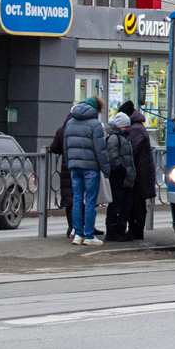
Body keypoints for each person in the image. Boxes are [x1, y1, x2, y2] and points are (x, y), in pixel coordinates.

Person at [64, 96, 110, 245]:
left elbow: (66, 147)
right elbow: (100, 150)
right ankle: (89, 236)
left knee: (77, 200)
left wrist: (70, 163)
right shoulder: (95, 125)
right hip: (91, 169)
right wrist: (106, 169)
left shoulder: (70, 123)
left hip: (74, 168)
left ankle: (78, 234)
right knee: (90, 201)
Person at [102, 109, 137, 242]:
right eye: (125, 126)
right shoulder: (114, 138)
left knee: (125, 205)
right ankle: (113, 230)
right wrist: (124, 171)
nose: (128, 129)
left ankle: (120, 229)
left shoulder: (123, 138)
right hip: (119, 178)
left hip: (126, 178)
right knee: (116, 205)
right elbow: (113, 159)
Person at [125, 103, 157, 241]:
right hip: (142, 171)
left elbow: (132, 151)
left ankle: (136, 230)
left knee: (137, 203)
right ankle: (136, 230)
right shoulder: (138, 126)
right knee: (138, 202)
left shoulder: (136, 129)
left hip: (140, 173)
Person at [48, 111, 76, 240]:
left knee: (68, 199)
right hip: (80, 167)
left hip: (65, 169)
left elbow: (54, 148)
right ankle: (80, 227)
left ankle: (71, 226)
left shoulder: (61, 131)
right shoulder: (81, 128)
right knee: (80, 198)